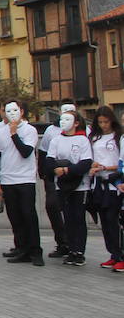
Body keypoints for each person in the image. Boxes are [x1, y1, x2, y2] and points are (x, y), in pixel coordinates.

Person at [0, 100, 43, 266]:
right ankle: (22, 249)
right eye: (8, 111)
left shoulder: (30, 131)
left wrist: (14, 134)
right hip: (8, 179)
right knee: (15, 217)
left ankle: (36, 251)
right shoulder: (0, 133)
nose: (12, 114)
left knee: (28, 215)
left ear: (22, 111)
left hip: (25, 179)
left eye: (15, 110)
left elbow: (26, 152)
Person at [49, 110, 92, 267]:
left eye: (68, 119)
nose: (63, 122)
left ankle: (79, 252)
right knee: (67, 218)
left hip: (80, 187)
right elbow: (50, 160)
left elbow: (85, 163)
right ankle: (71, 249)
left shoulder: (82, 141)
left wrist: (68, 170)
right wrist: (56, 168)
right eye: (61, 119)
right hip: (62, 186)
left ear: (76, 123)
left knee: (78, 218)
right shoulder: (56, 140)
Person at [90, 107, 124, 271]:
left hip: (114, 182)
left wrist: (106, 167)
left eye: (106, 121)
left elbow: (121, 163)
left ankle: (120, 254)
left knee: (113, 219)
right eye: (100, 122)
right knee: (104, 220)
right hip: (98, 182)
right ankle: (112, 253)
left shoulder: (118, 137)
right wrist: (94, 166)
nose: (103, 125)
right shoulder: (95, 137)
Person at [39, 105, 72, 258]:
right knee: (52, 206)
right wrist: (44, 173)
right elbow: (43, 152)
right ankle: (62, 242)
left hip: (74, 176)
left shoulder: (85, 130)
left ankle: (75, 245)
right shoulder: (51, 131)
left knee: (73, 211)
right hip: (53, 176)